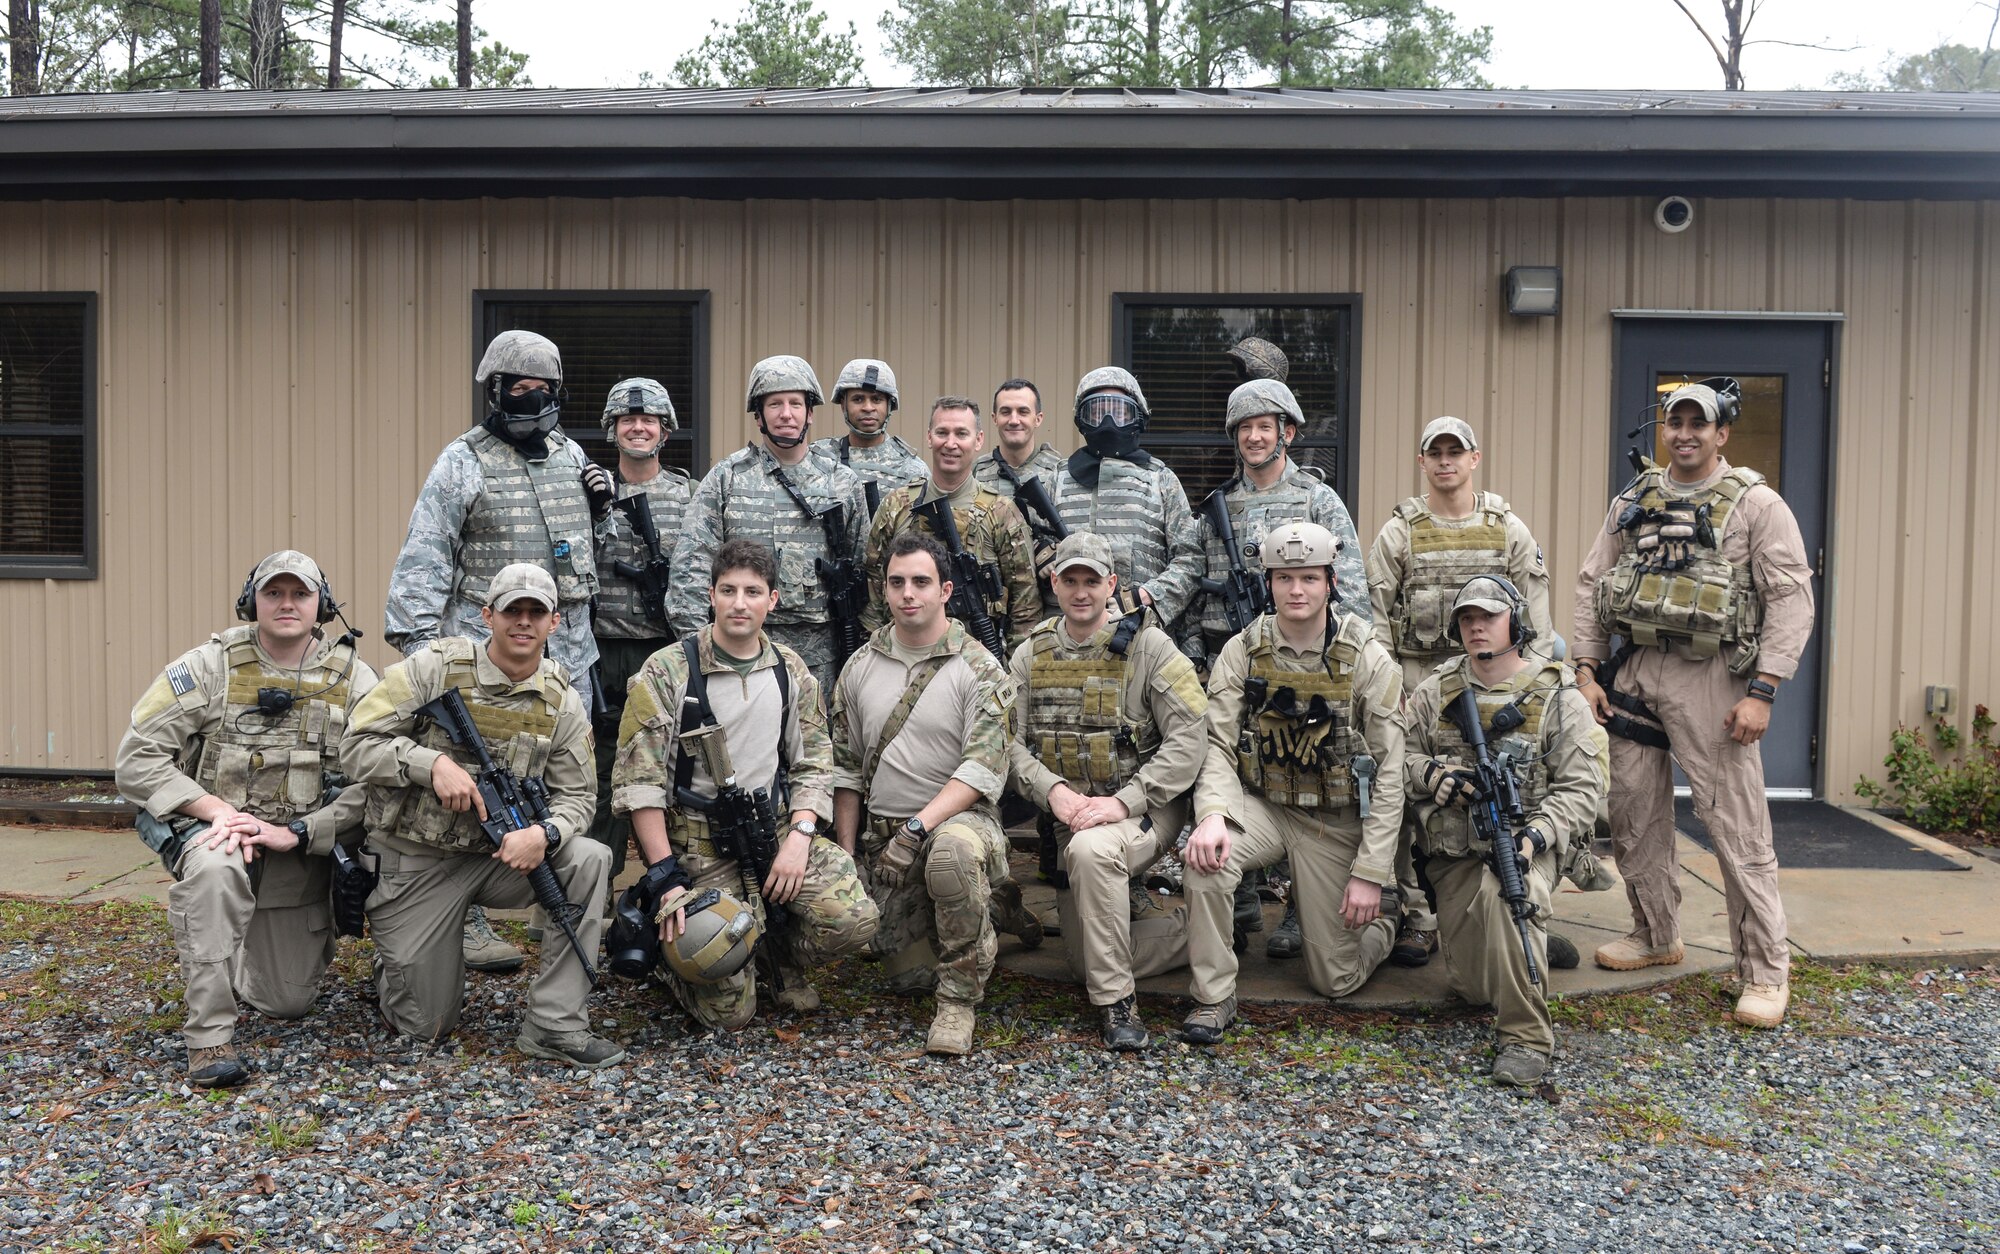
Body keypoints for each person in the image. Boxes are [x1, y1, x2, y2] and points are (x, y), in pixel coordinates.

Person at [1574, 380, 1815, 1030]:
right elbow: (1595, 578)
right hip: (1635, 671)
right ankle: (1655, 933)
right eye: (1674, 421)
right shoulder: (1635, 498)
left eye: (1697, 424)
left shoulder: (1756, 506)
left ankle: (1765, 971)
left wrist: (1764, 690)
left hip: (1713, 679)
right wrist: (1586, 668)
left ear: (1721, 433)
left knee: (1735, 827)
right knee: (1632, 811)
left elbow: (1791, 599)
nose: (1684, 433)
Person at [385, 329, 616, 975]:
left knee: (560, 778)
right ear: (495, 390)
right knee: (475, 782)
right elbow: (426, 553)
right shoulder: (463, 460)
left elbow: (591, 558)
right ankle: (466, 916)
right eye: (519, 388)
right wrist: (423, 651)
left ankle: (554, 899)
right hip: (479, 649)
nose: (531, 398)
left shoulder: (573, 457)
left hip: (565, 649)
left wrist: (604, 509)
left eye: (542, 389)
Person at [341, 563, 623, 1068]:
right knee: (425, 1025)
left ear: (554, 623)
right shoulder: (433, 668)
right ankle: (402, 966)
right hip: (416, 861)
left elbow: (579, 799)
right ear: (486, 615)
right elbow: (356, 746)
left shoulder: (562, 700)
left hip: (498, 859)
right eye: (512, 610)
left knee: (589, 858)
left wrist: (545, 832)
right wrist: (429, 765)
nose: (524, 622)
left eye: (536, 612)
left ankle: (555, 1026)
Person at [115, 551, 378, 1087]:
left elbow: (376, 784)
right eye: (273, 593)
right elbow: (136, 758)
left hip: (296, 848)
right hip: (216, 833)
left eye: (300, 594)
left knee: (287, 1001)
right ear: (250, 602)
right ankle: (209, 1041)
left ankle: (238, 949)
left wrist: (301, 831)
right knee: (215, 872)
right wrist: (217, 811)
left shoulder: (354, 679)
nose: (286, 604)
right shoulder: (210, 667)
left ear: (321, 605)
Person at [612, 539, 879, 1027]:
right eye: (728, 590)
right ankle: (677, 965)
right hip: (697, 845)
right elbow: (639, 784)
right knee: (731, 1015)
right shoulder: (668, 670)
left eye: (753, 591)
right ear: (711, 595)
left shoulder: (789, 670)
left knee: (854, 921)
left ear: (772, 600)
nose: (740, 603)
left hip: (772, 827)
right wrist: (666, 879)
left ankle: (780, 960)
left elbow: (815, 763)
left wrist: (800, 837)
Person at [1179, 522, 1405, 1043]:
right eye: (1284, 578)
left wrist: (1371, 872)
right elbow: (1215, 742)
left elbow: (1391, 770)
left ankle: (1388, 918)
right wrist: (1212, 815)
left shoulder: (1365, 656)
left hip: (1335, 821)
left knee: (1335, 980)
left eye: (1308, 577)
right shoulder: (1244, 649)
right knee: (1207, 860)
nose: (1296, 590)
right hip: (1266, 806)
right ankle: (1213, 998)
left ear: (1329, 581)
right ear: (1270, 583)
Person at [1193, 378, 1370, 963]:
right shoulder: (1219, 505)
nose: (1253, 436)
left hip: (1309, 662)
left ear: (1287, 433)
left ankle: (1301, 903)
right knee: (1237, 766)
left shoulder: (1319, 501)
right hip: (1236, 659)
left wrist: (1338, 658)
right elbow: (1199, 584)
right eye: (1243, 428)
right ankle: (1240, 896)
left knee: (1307, 767)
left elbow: (1354, 592)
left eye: (1264, 426)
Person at [1366, 415, 1551, 971]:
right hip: (1419, 684)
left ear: (1474, 459)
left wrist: (1536, 693)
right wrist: (1391, 691)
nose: (1445, 461)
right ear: (1422, 462)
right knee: (1404, 791)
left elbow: (1536, 624)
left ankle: (1525, 902)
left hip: (1498, 684)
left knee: (1516, 787)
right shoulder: (1399, 532)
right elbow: (1375, 619)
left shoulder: (1508, 529)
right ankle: (1418, 915)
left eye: (1456, 451)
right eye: (1435, 452)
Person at [1008, 532, 1206, 1050]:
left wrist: (1124, 802)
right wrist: (1052, 791)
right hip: (1067, 816)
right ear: (1054, 583)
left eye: (1091, 581)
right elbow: (1003, 744)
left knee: (1094, 853)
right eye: (1069, 580)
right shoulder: (1030, 655)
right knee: (1080, 960)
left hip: (1142, 808)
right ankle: (1201, 932)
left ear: (1112, 585)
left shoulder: (1151, 647)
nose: (1080, 591)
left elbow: (1190, 738)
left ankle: (1119, 1004)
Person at [1402, 577, 1602, 1085]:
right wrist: (1432, 776)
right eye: (1467, 618)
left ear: (1515, 621)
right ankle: (1522, 947)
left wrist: (1535, 836)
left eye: (1487, 616)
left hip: (1527, 846)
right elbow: (1395, 760)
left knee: (1510, 899)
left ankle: (1527, 1040)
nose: (1476, 626)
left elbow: (1583, 790)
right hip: (1454, 853)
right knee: (1473, 990)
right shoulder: (1435, 691)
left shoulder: (1558, 693)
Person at [829, 533, 1016, 1056]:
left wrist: (916, 830)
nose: (908, 593)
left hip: (954, 826)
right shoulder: (859, 667)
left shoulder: (979, 669)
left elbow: (982, 770)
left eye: (921, 582)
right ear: (884, 591)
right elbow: (845, 770)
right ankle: (997, 906)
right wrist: (848, 854)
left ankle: (958, 1003)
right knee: (900, 970)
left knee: (952, 857)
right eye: (897, 583)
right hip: (882, 844)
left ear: (945, 590)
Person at [668, 355, 872, 698]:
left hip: (819, 655)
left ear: (810, 413)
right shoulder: (727, 478)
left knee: (811, 746)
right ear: (759, 415)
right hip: (735, 649)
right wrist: (700, 654)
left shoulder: (842, 482)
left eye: (795, 403)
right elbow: (691, 569)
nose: (786, 413)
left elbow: (865, 569)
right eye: (774, 404)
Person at [587, 378, 693, 879]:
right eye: (628, 420)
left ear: (665, 431)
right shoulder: (590, 492)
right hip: (604, 647)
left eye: (648, 420)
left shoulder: (690, 496)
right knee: (602, 769)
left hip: (668, 648)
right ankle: (592, 895)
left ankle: (675, 886)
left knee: (670, 766)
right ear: (612, 430)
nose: (638, 427)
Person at [862, 395, 1043, 657]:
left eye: (961, 433)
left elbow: (1025, 603)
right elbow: (873, 588)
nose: (951, 443)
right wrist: (878, 653)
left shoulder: (1001, 512)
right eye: (942, 433)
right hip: (903, 654)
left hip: (977, 658)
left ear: (979, 440)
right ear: (929, 437)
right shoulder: (897, 505)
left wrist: (1013, 669)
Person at [1047, 367, 1205, 631]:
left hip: (1141, 632)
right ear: (1082, 419)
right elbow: (1027, 553)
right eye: (1097, 412)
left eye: (1120, 411)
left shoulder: (1160, 479)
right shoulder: (1057, 479)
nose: (1108, 421)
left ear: (1137, 417)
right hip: (1068, 635)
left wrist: (1144, 597)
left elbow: (1191, 560)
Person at [811, 358, 927, 514]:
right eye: (858, 399)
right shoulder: (819, 458)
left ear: (889, 405)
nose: (867, 407)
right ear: (843, 405)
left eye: (876, 399)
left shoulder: (913, 469)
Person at [974, 377, 1067, 502]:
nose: (1013, 421)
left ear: (1038, 419)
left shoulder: (1058, 471)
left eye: (1023, 412)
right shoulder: (977, 472)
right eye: (1006, 412)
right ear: (995, 418)